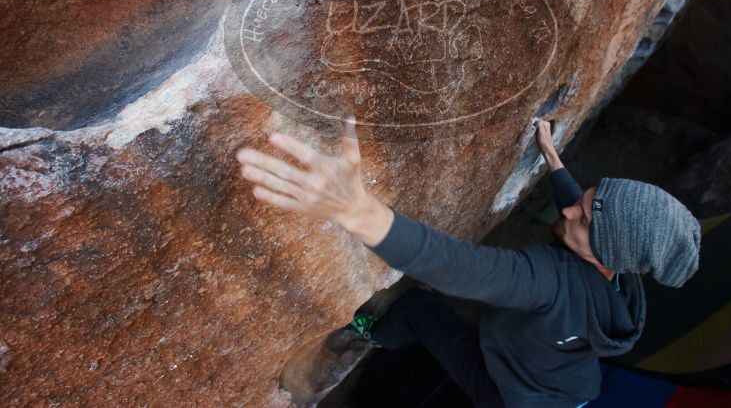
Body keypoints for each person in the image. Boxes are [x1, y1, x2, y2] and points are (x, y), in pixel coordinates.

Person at [236, 116, 701, 407]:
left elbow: (462, 268)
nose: (568, 208)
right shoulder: (624, 284)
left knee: (420, 310)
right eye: (584, 196)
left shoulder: (549, 281)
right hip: (567, 390)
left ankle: (366, 335)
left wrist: (357, 212)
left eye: (580, 217)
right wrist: (552, 158)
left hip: (511, 396)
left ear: (603, 252)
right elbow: (590, 219)